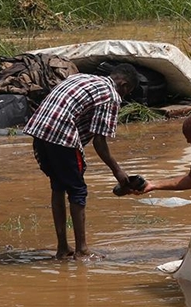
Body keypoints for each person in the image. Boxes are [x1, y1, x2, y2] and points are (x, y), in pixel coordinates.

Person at [24, 64, 139, 259]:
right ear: (124, 85)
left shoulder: (82, 77)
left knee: (58, 186)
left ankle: (62, 248)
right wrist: (118, 171)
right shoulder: (111, 95)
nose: (123, 97)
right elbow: (99, 142)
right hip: (60, 134)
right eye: (126, 93)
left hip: (40, 130)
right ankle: (82, 250)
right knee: (77, 191)